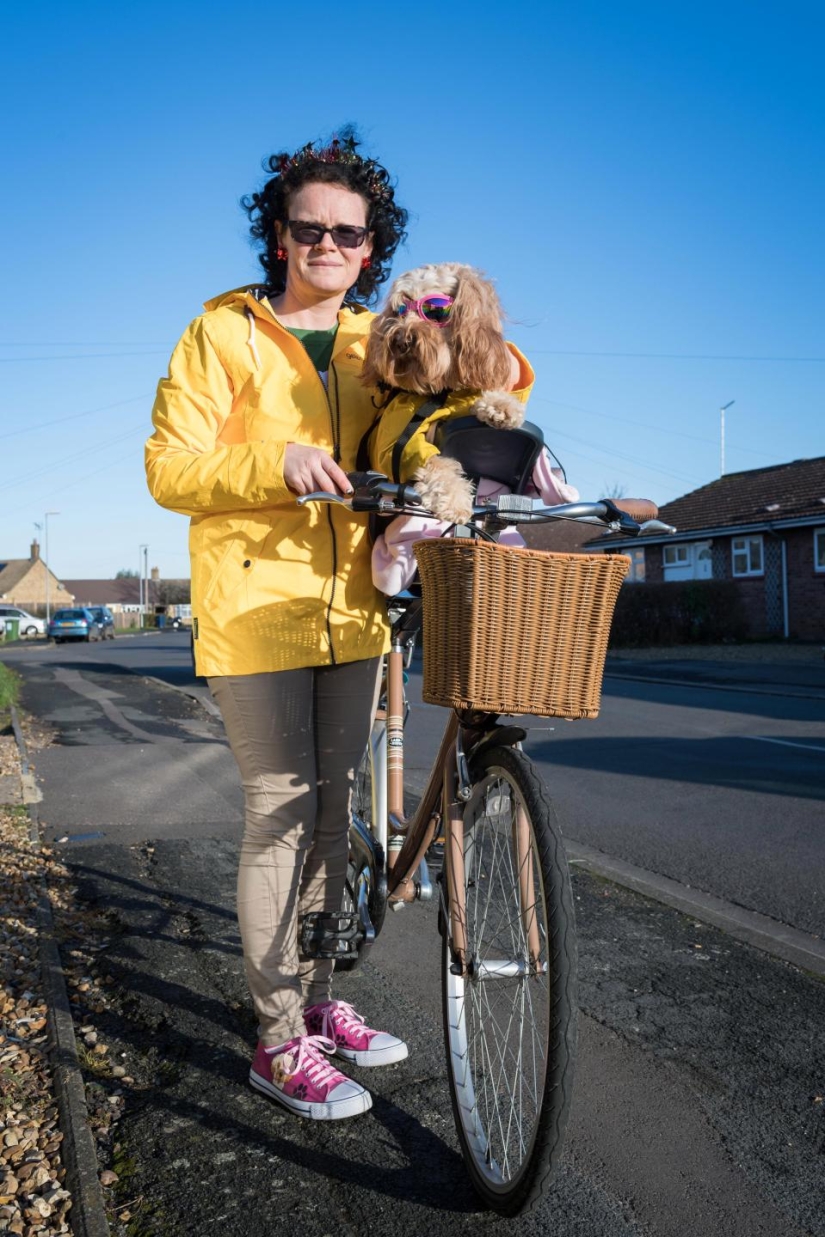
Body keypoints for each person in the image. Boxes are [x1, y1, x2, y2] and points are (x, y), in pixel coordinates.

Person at [145, 129, 410, 1121]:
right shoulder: (219, 334)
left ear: (371, 245)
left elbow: (467, 390)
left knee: (336, 821)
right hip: (256, 614)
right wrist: (276, 462)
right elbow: (169, 469)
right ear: (279, 234)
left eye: (349, 231)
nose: (330, 244)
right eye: (311, 228)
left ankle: (320, 999)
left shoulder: (383, 340)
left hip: (355, 616)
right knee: (282, 817)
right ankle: (276, 1041)